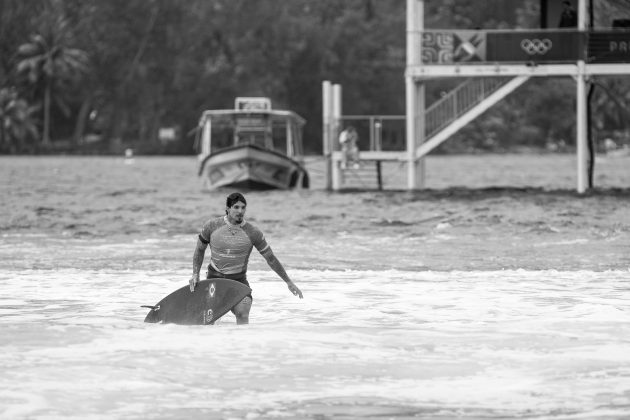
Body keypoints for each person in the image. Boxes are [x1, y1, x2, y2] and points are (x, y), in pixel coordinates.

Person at [190, 192, 303, 324]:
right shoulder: (212, 226)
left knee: (243, 313)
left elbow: (271, 258)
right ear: (227, 208)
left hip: (239, 282)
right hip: (214, 281)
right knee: (208, 320)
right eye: (236, 207)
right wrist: (195, 274)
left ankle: (242, 343)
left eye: (243, 208)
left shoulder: (252, 232)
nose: (240, 211)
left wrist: (288, 282)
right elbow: (199, 249)